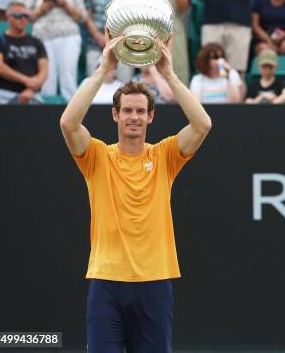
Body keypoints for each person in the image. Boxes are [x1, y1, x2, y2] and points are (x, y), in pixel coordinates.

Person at [59, 34, 211, 353]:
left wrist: (167, 74)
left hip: (155, 281)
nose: (134, 117)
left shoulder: (164, 156)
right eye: (127, 110)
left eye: (141, 111)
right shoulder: (97, 157)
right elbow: (69, 123)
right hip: (106, 282)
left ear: (150, 117)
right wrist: (102, 70)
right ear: (115, 115)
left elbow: (202, 124)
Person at [27, 0, 85, 101]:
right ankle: (46, 115)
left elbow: (82, 16)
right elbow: (28, 17)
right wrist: (43, 8)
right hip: (42, 37)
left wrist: (66, 4)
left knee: (68, 77)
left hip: (69, 36)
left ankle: (72, 120)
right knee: (47, 80)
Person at [83, 0, 134, 80]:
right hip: (96, 43)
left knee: (125, 86)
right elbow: (87, 16)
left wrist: (116, 38)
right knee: (92, 83)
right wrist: (99, 36)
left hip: (122, 44)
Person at [143, 0, 191, 85]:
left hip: (174, 30)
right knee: (155, 68)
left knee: (177, 66)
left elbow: (183, 8)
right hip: (154, 30)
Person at [0, 2, 48, 104]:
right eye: (19, 16)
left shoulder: (36, 41)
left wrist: (31, 89)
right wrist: (26, 81)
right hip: (5, 93)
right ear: (8, 18)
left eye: (26, 16)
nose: (23, 19)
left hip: (33, 94)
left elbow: (44, 70)